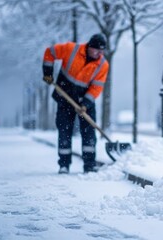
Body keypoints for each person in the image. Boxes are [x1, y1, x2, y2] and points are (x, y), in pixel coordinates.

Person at [42, 34, 109, 174]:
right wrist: (48, 72)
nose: (99, 53)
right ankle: (64, 165)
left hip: (85, 99)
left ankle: (89, 165)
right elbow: (50, 52)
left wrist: (85, 104)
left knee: (89, 132)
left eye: (102, 51)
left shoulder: (103, 65)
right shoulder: (71, 49)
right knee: (64, 130)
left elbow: (96, 87)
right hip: (65, 96)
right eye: (97, 50)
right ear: (89, 47)